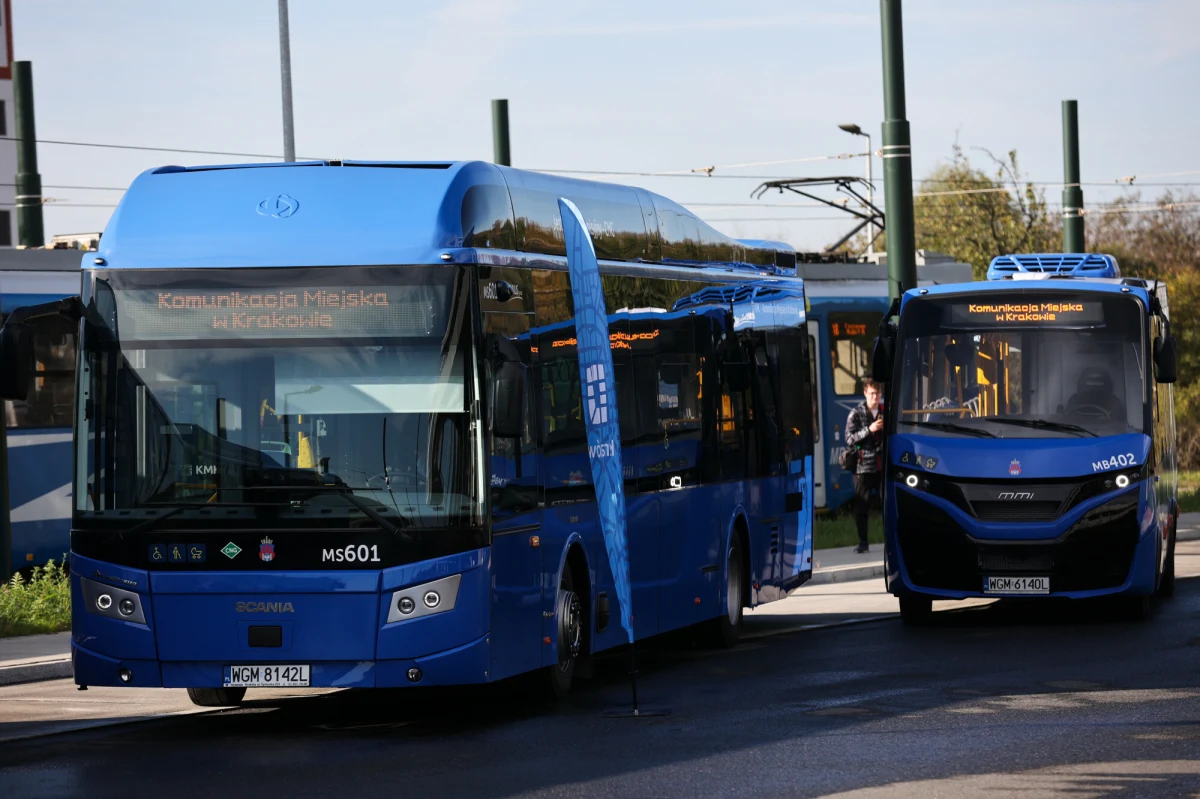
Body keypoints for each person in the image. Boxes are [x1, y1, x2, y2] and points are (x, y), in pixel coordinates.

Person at [845, 379, 885, 554]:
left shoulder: (886, 411)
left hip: (883, 465)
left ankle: (891, 541)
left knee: (888, 504)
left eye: (877, 393)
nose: (875, 396)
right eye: (872, 393)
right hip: (863, 467)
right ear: (865, 394)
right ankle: (863, 542)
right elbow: (849, 438)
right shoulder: (856, 413)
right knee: (862, 506)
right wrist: (869, 429)